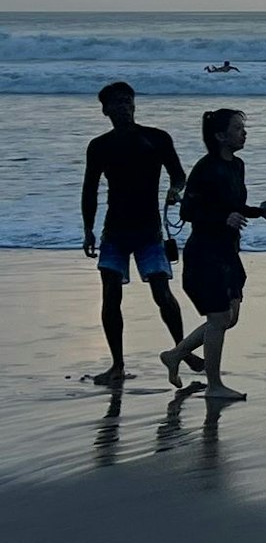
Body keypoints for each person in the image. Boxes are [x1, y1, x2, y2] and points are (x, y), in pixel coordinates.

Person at [160, 109, 266, 401]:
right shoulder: (206, 167)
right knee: (218, 318)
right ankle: (214, 385)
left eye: (243, 128)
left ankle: (175, 354)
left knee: (230, 317)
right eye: (238, 128)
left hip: (228, 251)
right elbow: (188, 211)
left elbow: (234, 207)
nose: (244, 133)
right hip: (205, 253)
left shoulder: (237, 166)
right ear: (220, 135)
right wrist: (222, 219)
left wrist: (261, 211)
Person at [82, 81, 194, 385]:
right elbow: (89, 189)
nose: (123, 107)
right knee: (110, 296)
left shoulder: (156, 138)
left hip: (149, 231)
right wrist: (88, 229)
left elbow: (179, 176)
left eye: (127, 100)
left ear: (134, 104)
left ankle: (182, 349)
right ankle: (117, 365)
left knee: (162, 293)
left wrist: (174, 191)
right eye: (116, 102)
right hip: (114, 231)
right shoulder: (99, 146)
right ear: (105, 110)